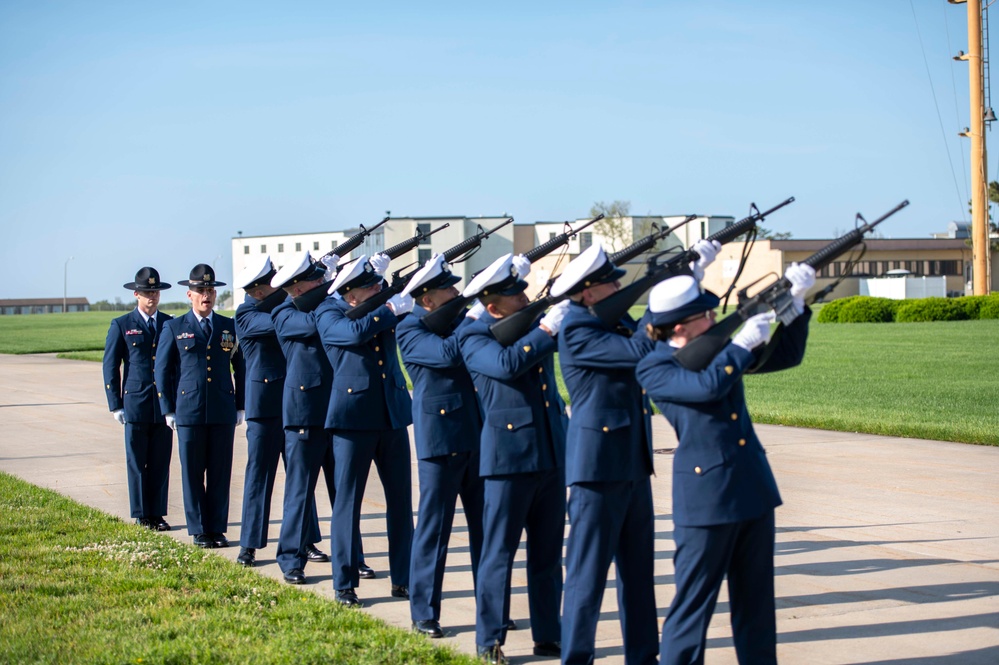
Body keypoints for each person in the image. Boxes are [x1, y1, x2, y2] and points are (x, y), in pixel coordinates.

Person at [634, 264, 815, 665]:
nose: (715, 319)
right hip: (707, 499)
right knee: (692, 605)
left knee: (756, 604)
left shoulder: (717, 351)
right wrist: (740, 344)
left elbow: (786, 356)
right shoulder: (655, 367)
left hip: (751, 486)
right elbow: (706, 388)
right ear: (679, 326)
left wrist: (795, 306)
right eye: (706, 314)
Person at [553, 240, 719, 665]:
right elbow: (641, 349)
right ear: (588, 290)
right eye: (609, 283)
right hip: (597, 467)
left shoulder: (609, 319)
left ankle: (643, 657)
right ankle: (576, 658)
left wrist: (685, 281)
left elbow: (652, 337)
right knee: (587, 578)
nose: (617, 288)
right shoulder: (577, 328)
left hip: (631, 460)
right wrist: (671, 286)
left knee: (638, 577)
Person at [456, 253, 569, 664]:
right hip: (507, 460)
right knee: (498, 554)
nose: (524, 299)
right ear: (492, 305)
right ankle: (489, 639)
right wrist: (544, 329)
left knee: (547, 553)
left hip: (549, 452)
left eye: (522, 292)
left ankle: (549, 634)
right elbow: (506, 366)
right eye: (514, 296)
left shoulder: (521, 325)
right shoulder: (472, 336)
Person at [315, 254, 415, 607]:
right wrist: (388, 310)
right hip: (353, 418)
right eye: (371, 286)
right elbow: (353, 332)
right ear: (351, 293)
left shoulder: (378, 307)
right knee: (348, 504)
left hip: (391, 414)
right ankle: (344, 582)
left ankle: (404, 578)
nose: (379, 289)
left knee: (401, 504)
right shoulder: (328, 313)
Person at [397, 254, 486, 639]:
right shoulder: (410, 329)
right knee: (434, 532)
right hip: (439, 442)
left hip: (476, 435)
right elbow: (449, 354)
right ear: (428, 299)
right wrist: (474, 319)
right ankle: (424, 612)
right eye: (448, 289)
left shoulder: (450, 322)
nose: (456, 292)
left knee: (487, 530)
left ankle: (492, 605)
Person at [269, 251, 363, 584]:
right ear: (295, 288)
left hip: (338, 410)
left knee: (345, 494)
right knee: (299, 491)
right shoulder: (283, 314)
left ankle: (353, 557)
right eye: (315, 277)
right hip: (305, 414)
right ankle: (291, 559)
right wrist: (337, 287)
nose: (322, 280)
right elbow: (319, 324)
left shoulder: (329, 305)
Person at [233, 255, 328, 569]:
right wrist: (298, 293)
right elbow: (280, 323)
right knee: (259, 476)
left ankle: (306, 540)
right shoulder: (247, 313)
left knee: (302, 477)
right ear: (259, 291)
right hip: (265, 406)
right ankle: (249, 544)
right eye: (274, 282)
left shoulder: (284, 304)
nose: (281, 286)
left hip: (296, 401)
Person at [155, 263, 245, 548]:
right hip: (189, 411)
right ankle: (198, 530)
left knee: (220, 472)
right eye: (200, 290)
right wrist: (168, 408)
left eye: (210, 290)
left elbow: (240, 367)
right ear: (189, 294)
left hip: (221, 409)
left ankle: (217, 528)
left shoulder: (227, 326)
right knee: (193, 473)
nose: (206, 295)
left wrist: (240, 405)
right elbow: (162, 370)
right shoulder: (175, 326)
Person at [102, 266, 174, 532]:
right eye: (146, 292)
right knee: (137, 461)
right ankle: (142, 513)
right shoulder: (122, 324)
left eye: (155, 292)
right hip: (136, 403)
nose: (151, 297)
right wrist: (115, 403)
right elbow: (111, 365)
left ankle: (157, 513)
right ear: (136, 294)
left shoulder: (169, 323)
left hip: (163, 404)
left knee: (160, 461)